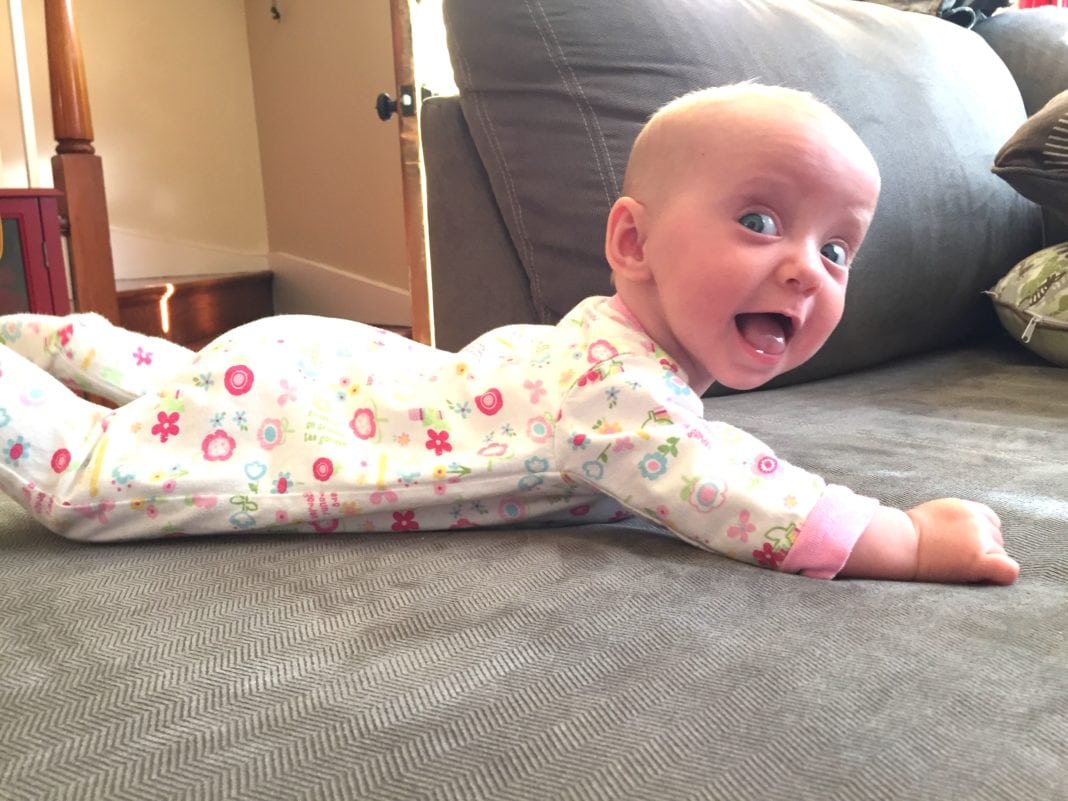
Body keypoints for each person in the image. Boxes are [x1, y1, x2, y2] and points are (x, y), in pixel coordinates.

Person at [0, 83, 1019, 584]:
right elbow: (730, 490)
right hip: (277, 413)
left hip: (314, 359)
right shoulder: (625, 401)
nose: (806, 265)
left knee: (181, 378)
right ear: (635, 241)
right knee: (92, 485)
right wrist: (903, 539)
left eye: (839, 251)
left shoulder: (614, 356)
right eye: (759, 220)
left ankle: (60, 337)